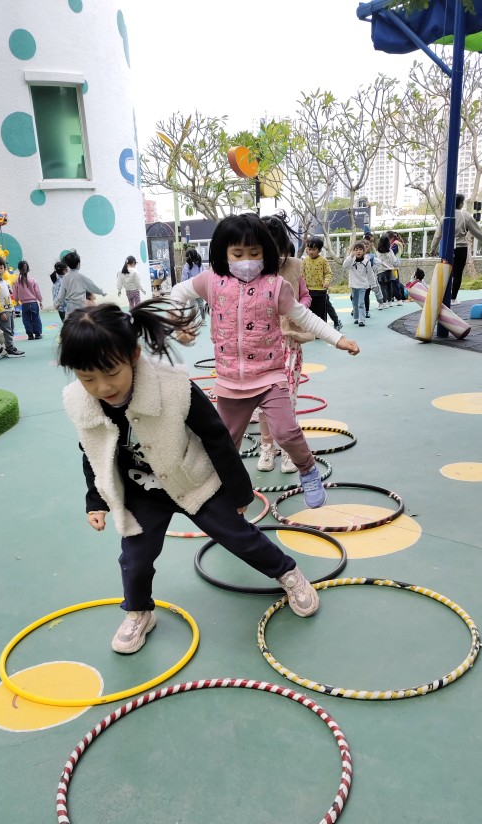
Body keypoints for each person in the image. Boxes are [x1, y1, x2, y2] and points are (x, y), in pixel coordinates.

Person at [60, 301, 323, 653]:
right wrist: (96, 501)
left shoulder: (173, 386)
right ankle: (139, 611)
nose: (102, 387)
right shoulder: (81, 401)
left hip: (193, 479)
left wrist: (239, 491)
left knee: (238, 536)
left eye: (111, 372)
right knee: (134, 559)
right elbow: (93, 450)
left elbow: (216, 436)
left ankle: (287, 573)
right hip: (142, 492)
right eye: (87, 378)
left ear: (134, 355)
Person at [170, 214, 359, 509]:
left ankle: (308, 470)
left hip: (269, 376)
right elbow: (178, 292)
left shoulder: (275, 285)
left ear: (266, 252)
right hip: (230, 381)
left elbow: (303, 315)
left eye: (254, 253)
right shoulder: (212, 281)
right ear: (223, 253)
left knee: (286, 431)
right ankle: (233, 494)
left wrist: (337, 339)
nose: (247, 261)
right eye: (238, 254)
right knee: (227, 444)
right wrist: (179, 323)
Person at [256, 213, 314, 475]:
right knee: (263, 401)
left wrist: (298, 308)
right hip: (259, 345)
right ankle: (267, 446)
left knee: (286, 400)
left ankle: (287, 449)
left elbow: (305, 296)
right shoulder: (250, 270)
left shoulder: (293, 267)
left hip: (288, 343)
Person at [429, 193, 482, 303]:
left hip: (447, 248)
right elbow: (476, 230)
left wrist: (432, 249)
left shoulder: (444, 217)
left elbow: (437, 235)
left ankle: (443, 296)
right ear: (461, 203)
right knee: (458, 273)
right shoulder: (465, 215)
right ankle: (453, 298)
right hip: (461, 248)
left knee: (446, 271)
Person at [0, 257, 25, 357]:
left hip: (9, 309)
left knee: (11, 329)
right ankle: (10, 348)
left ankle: (7, 346)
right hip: (3, 311)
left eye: (1, 268)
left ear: (4, 269)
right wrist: (1, 312)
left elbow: (9, 296)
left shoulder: (4, 282)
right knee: (7, 330)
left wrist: (13, 309)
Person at [56, 251, 104, 315]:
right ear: (78, 264)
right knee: (80, 319)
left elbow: (61, 293)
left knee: (70, 320)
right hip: (80, 307)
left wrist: (58, 303)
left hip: (70, 307)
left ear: (68, 265)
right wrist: (101, 292)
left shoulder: (65, 277)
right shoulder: (81, 277)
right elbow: (92, 286)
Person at [343, 241, 376, 326]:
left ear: (364, 251)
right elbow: (344, 265)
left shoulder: (366, 261)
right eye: (356, 249)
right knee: (355, 303)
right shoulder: (351, 261)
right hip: (354, 285)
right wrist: (350, 256)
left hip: (363, 285)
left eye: (360, 249)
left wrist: (373, 284)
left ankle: (362, 319)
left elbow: (370, 273)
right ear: (353, 251)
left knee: (361, 302)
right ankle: (357, 317)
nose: (358, 251)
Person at [301, 237, 331, 322]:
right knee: (310, 314)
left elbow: (328, 273)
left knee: (321, 314)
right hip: (308, 291)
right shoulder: (305, 261)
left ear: (319, 250)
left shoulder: (323, 261)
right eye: (309, 249)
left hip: (320, 291)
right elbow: (302, 274)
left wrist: (326, 281)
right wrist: (303, 285)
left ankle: (322, 329)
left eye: (314, 249)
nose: (311, 252)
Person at [11, 260, 43, 340]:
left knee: (26, 320)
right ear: (28, 269)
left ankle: (30, 335)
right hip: (34, 303)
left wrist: (17, 301)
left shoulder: (16, 281)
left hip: (24, 305)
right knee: (36, 318)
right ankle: (38, 334)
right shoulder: (33, 280)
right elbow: (37, 292)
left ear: (19, 270)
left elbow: (15, 293)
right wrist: (40, 300)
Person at [374, 233, 401, 308]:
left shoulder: (377, 252)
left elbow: (376, 262)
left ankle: (384, 302)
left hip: (381, 271)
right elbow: (394, 261)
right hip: (389, 271)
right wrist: (397, 263)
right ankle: (389, 301)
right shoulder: (390, 251)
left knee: (382, 287)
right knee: (389, 287)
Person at [179, 249, 206, 321]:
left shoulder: (187, 266)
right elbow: (204, 274)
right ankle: (203, 319)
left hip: (191, 288)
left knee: (193, 305)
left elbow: (184, 278)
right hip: (199, 288)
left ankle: (193, 320)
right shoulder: (200, 264)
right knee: (201, 304)